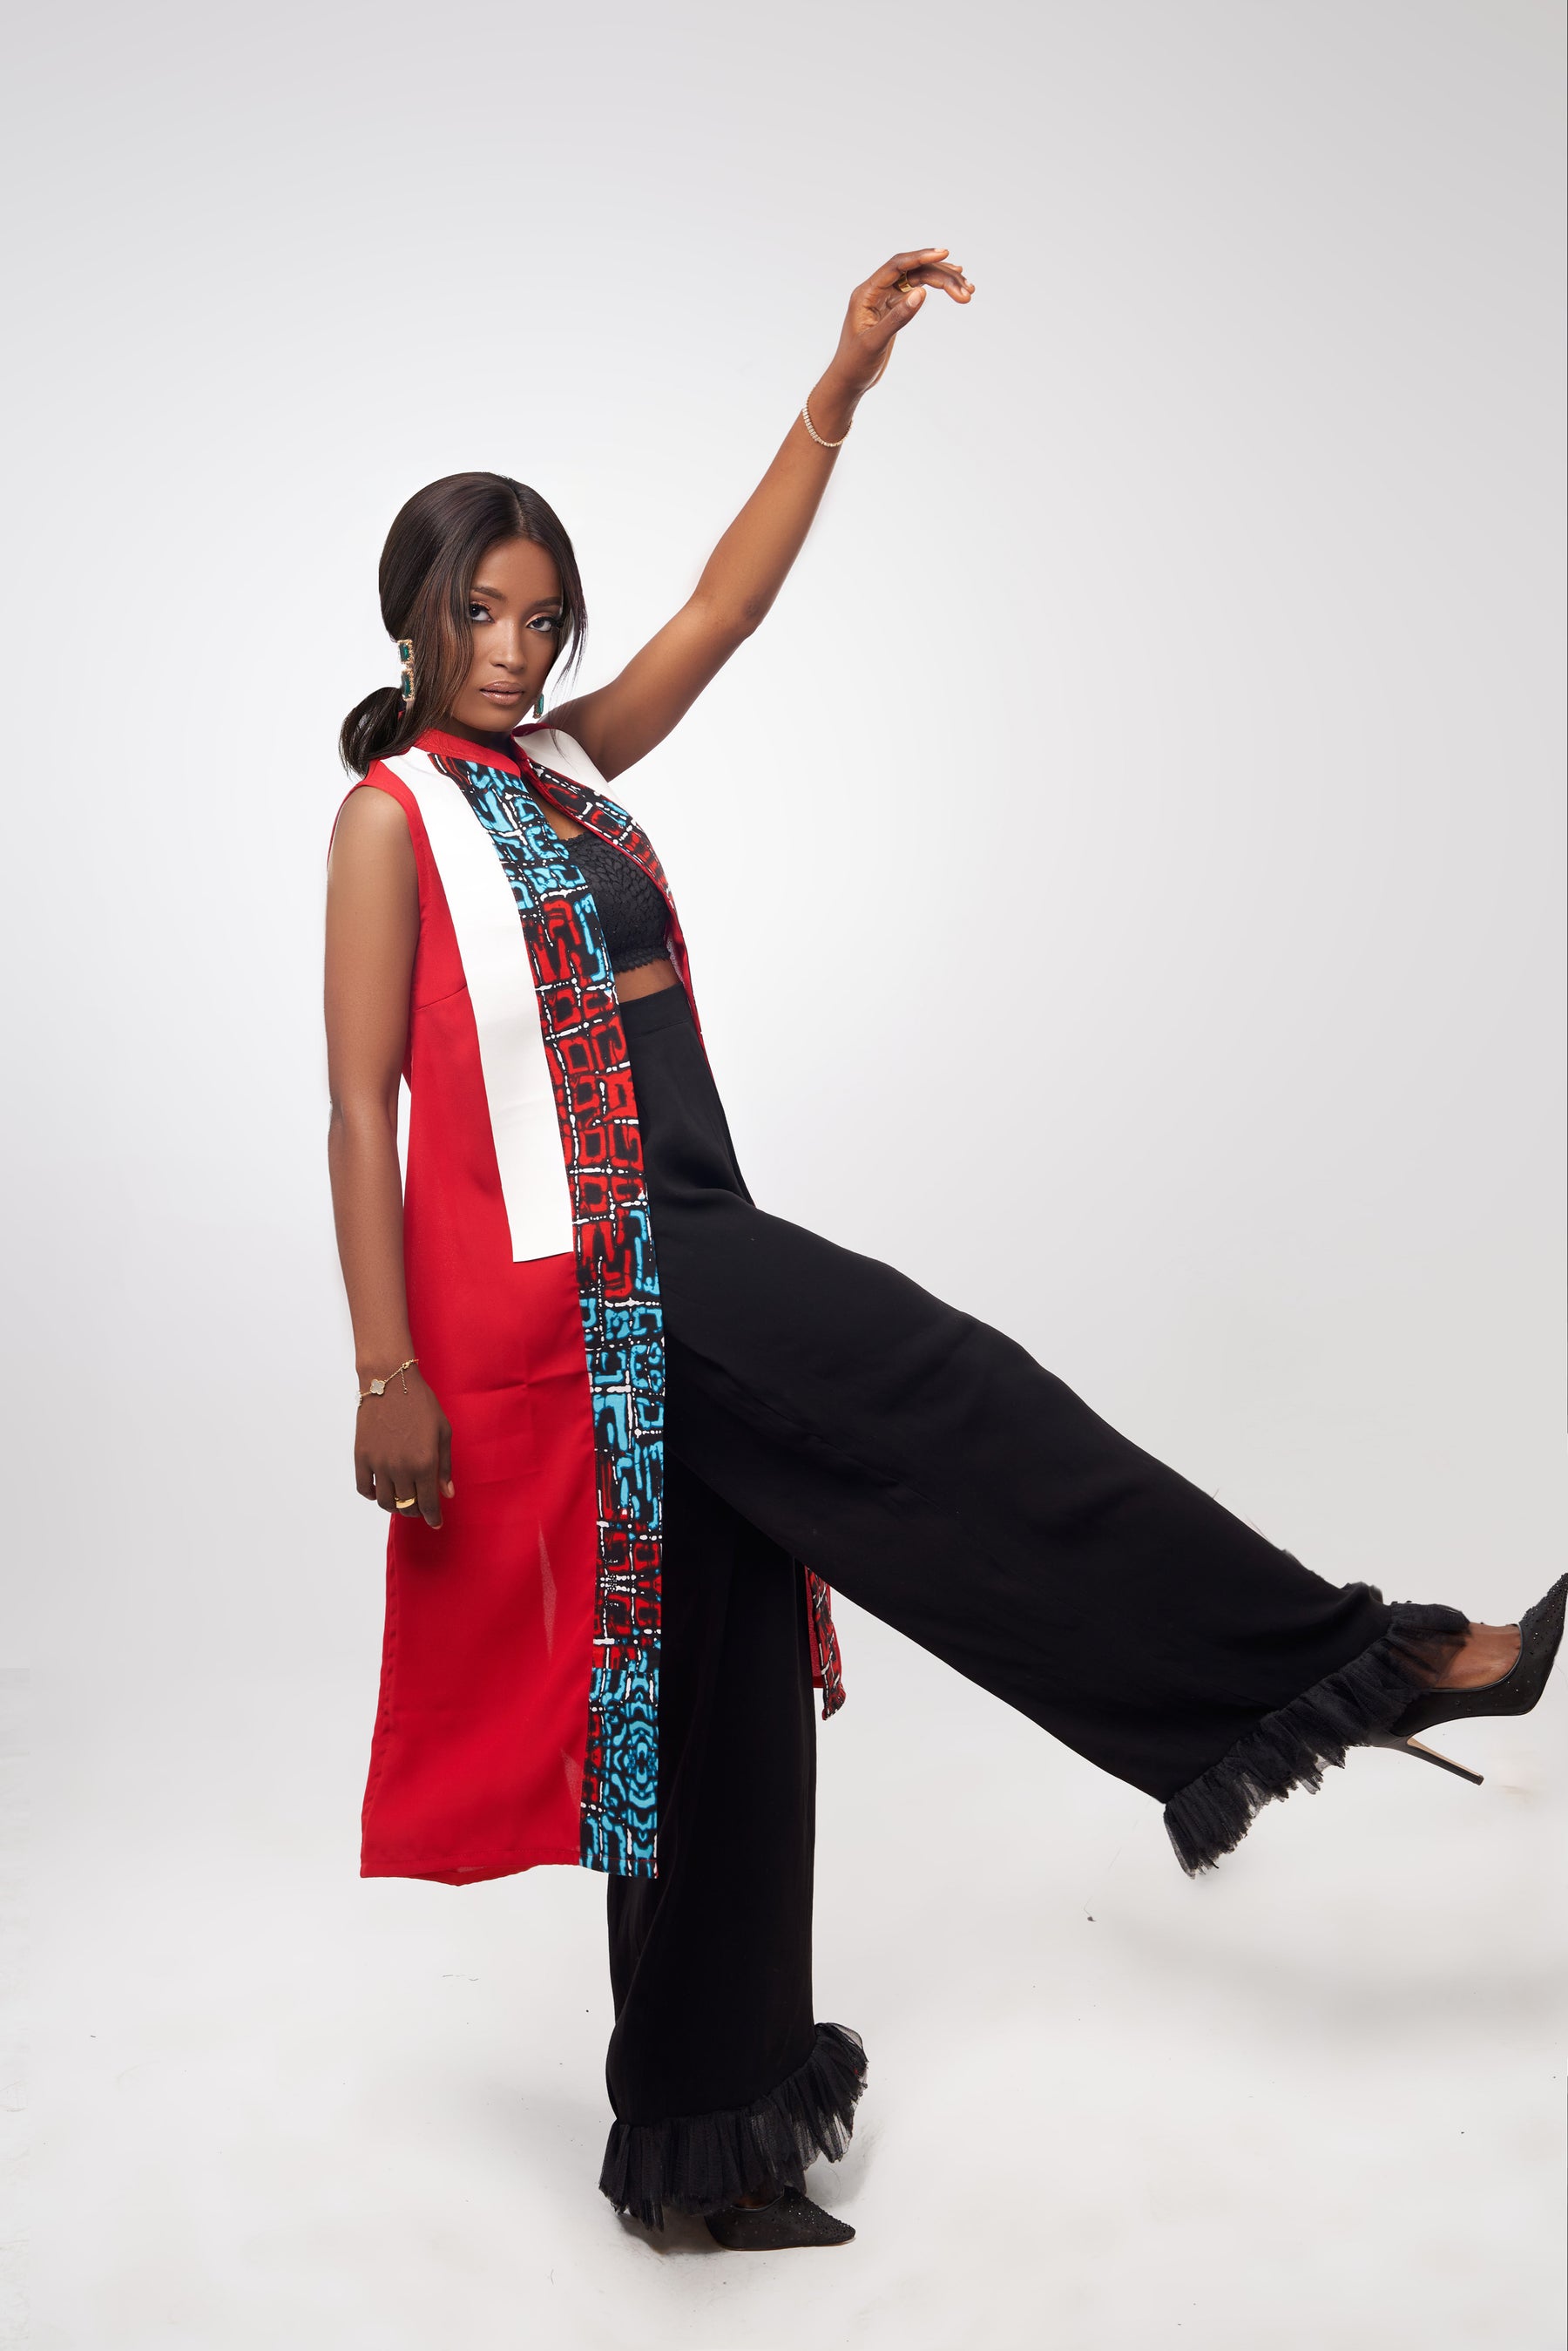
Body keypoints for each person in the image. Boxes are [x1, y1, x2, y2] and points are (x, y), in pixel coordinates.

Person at [323, 247, 1565, 2251]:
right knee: (950, 1401)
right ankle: (1367, 1660)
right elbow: (354, 1106)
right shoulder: (391, 819)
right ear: (415, 610)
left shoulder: (559, 770)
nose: (520, 649)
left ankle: (705, 2144)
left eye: (546, 618)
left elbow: (722, 609)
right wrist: (383, 1366)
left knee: (713, 1691)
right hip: (597, 1292)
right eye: (483, 610)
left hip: (688, 1237)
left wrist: (837, 394)